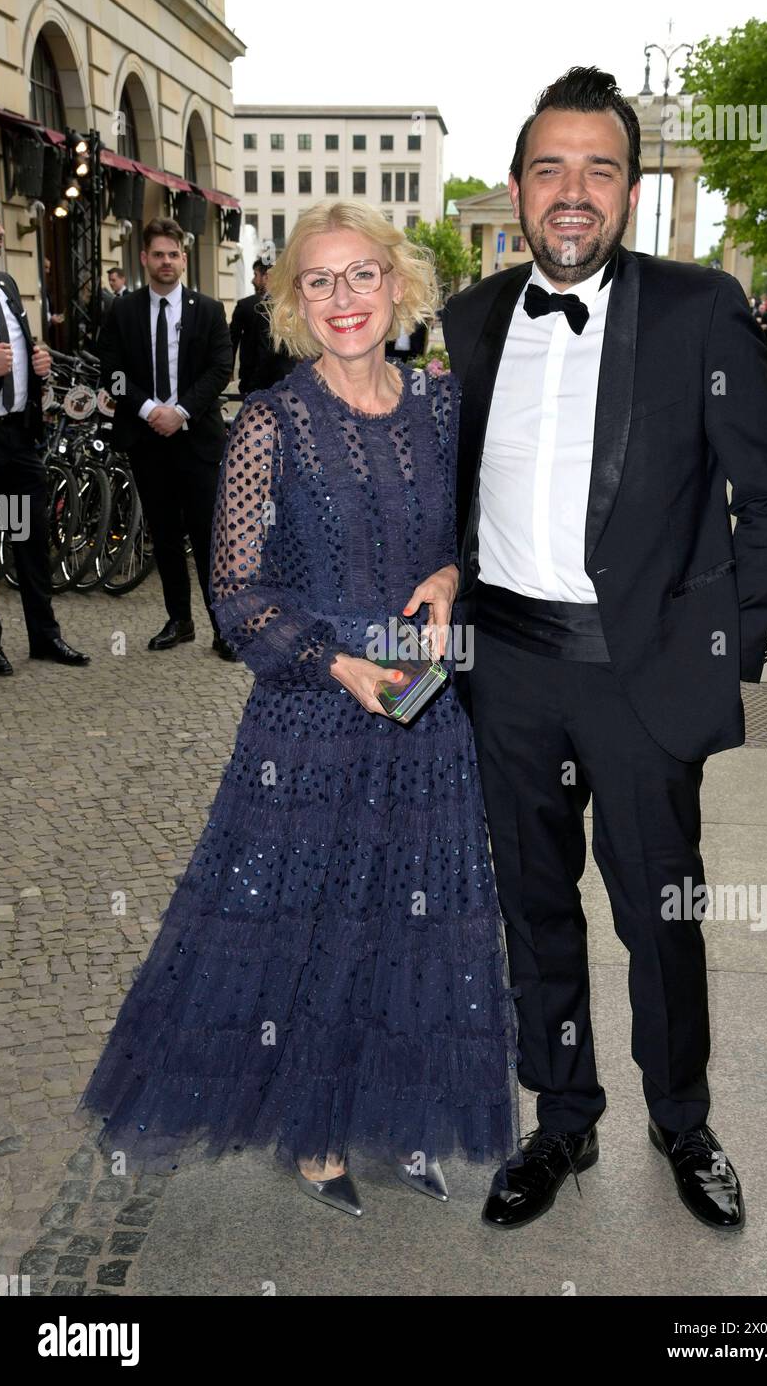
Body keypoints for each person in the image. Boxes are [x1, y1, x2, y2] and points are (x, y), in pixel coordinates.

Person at [77, 200, 520, 1217]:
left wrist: (449, 578)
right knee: (307, 923)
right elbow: (237, 593)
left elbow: (467, 533)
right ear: (291, 305)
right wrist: (332, 662)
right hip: (312, 715)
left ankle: (403, 1117)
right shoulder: (270, 422)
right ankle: (316, 1129)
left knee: (415, 920)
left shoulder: (445, 405)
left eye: (361, 274)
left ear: (399, 285)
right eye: (317, 282)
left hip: (422, 704)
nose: (343, 298)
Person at [442, 66, 767, 1233]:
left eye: (599, 168)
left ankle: (683, 1116)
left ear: (633, 192)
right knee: (534, 903)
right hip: (508, 670)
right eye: (550, 167)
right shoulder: (474, 319)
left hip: (643, 674)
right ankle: (562, 1116)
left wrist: (719, 656)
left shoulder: (702, 308)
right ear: (516, 188)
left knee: (661, 908)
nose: (572, 191)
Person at [98, 217, 234, 657]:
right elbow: (111, 374)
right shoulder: (123, 310)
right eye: (158, 254)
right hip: (147, 440)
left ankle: (223, 627)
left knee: (210, 538)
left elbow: (220, 370)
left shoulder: (209, 310)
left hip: (196, 440)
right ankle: (179, 620)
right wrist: (147, 409)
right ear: (144, 259)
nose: (166, 262)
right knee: (165, 535)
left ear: (183, 258)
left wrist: (179, 411)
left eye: (173, 254)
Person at [0, 190, 90, 675]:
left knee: (29, 537)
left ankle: (44, 636)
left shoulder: (5, 283)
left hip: (17, 439)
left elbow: (18, 351)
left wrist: (38, 362)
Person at [230, 259, 295, 395]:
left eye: (255, 275)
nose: (253, 281)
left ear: (266, 277)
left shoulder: (252, 306)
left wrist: (251, 384)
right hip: (287, 379)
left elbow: (263, 350)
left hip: (260, 382)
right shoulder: (291, 304)